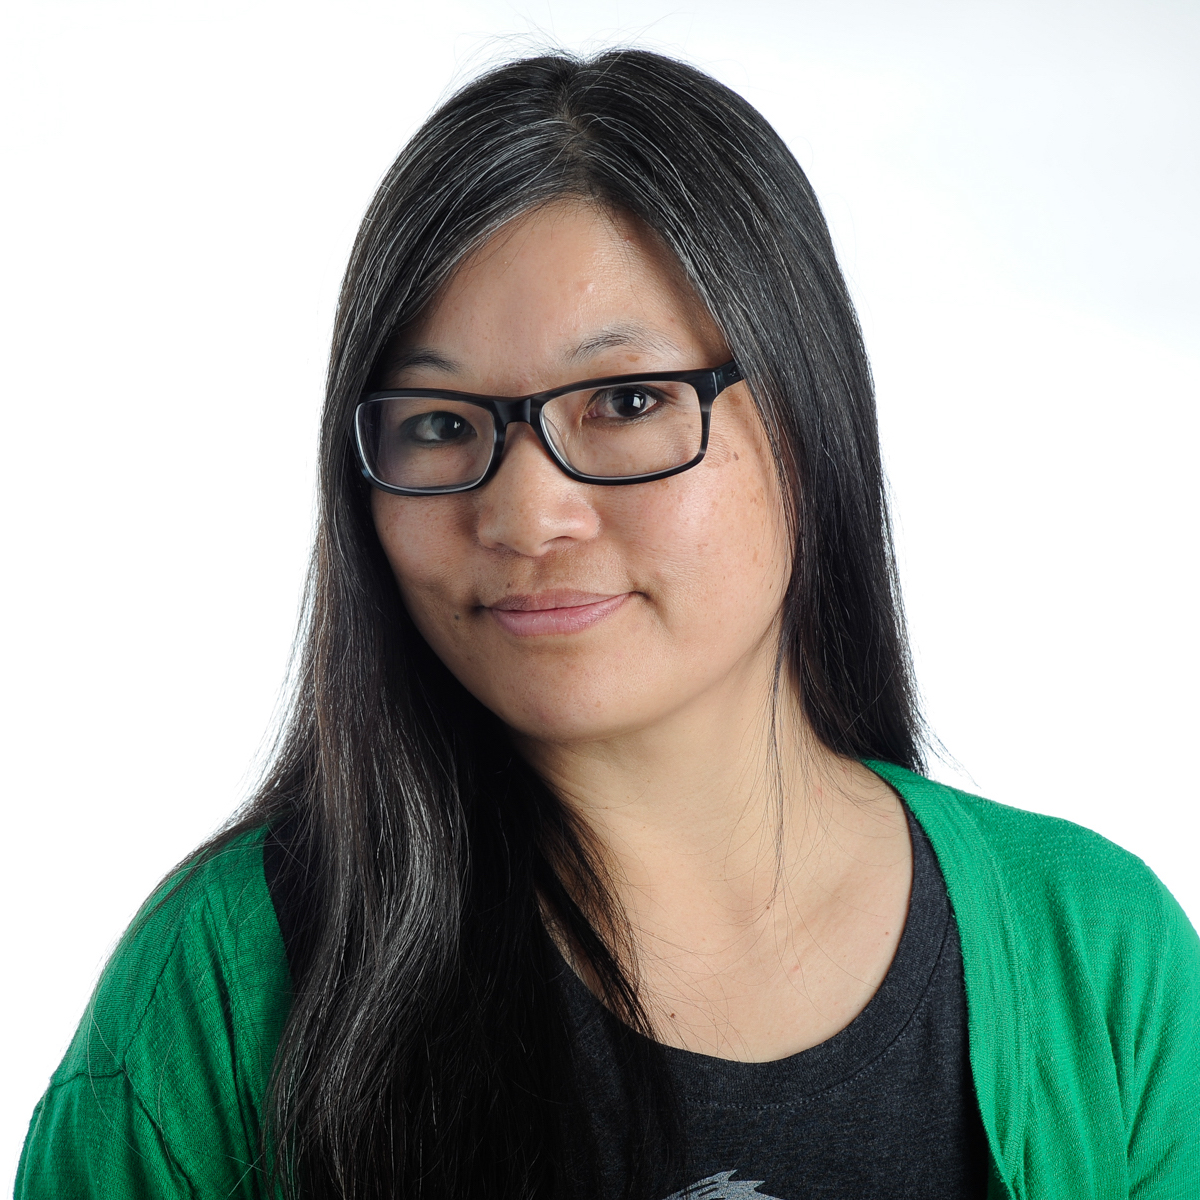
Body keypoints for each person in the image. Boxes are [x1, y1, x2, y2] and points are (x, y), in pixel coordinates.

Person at [14, 49, 1199, 1200]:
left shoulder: (1098, 955)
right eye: (439, 425)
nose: (525, 515)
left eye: (627, 401)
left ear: (807, 411)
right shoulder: (220, 991)